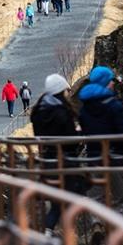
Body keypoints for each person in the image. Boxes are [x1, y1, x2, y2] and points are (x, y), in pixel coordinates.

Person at [30, 74, 84, 233]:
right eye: (66, 90)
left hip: (48, 158)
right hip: (66, 159)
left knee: (57, 200)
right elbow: (70, 138)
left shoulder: (39, 111)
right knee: (71, 195)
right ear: (61, 91)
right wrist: (80, 134)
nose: (68, 94)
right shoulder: (61, 111)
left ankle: (51, 231)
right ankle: (57, 232)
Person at [77, 65, 123, 164]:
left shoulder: (84, 108)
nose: (113, 83)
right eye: (111, 80)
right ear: (105, 83)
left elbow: (85, 132)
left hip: (93, 159)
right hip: (115, 159)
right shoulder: (114, 106)